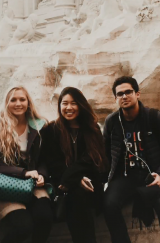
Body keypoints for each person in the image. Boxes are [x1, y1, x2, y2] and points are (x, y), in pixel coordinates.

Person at [102, 76, 160, 243]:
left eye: (128, 92)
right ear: (115, 98)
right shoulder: (112, 122)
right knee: (108, 204)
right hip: (125, 178)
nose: (124, 96)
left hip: (153, 177)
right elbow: (105, 156)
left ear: (137, 94)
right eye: (120, 94)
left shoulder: (157, 118)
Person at [40, 87, 109, 243]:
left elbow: (94, 160)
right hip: (63, 185)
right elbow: (53, 163)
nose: (68, 107)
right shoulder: (52, 130)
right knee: (77, 196)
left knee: (79, 198)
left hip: (90, 184)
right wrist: (76, 180)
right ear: (59, 106)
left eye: (74, 103)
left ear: (81, 105)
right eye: (64, 103)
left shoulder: (92, 129)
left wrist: (73, 178)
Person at [0, 86, 53, 243]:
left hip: (32, 185)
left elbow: (45, 159)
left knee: (45, 217)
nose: (18, 103)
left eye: (22, 99)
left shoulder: (40, 126)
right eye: (13, 100)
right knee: (22, 226)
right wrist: (23, 172)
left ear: (28, 102)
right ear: (6, 103)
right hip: (3, 186)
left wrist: (42, 175)